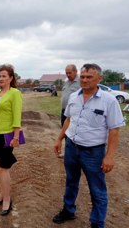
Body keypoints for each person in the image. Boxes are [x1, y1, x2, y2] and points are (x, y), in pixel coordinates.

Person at [53, 63, 125, 228]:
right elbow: (69, 120)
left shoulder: (109, 101)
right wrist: (59, 139)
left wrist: (109, 156)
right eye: (83, 77)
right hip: (71, 147)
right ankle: (68, 210)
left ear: (99, 78)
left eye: (89, 77)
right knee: (71, 181)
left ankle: (97, 223)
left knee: (97, 189)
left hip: (93, 152)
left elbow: (114, 131)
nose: (84, 80)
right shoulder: (74, 97)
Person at [0, 63, 22, 216]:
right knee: (0, 167)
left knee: (4, 168)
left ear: (11, 78)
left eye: (4, 76)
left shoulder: (15, 93)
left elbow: (17, 116)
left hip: (8, 134)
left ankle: (7, 199)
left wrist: (16, 137)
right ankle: (2, 195)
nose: (1, 78)